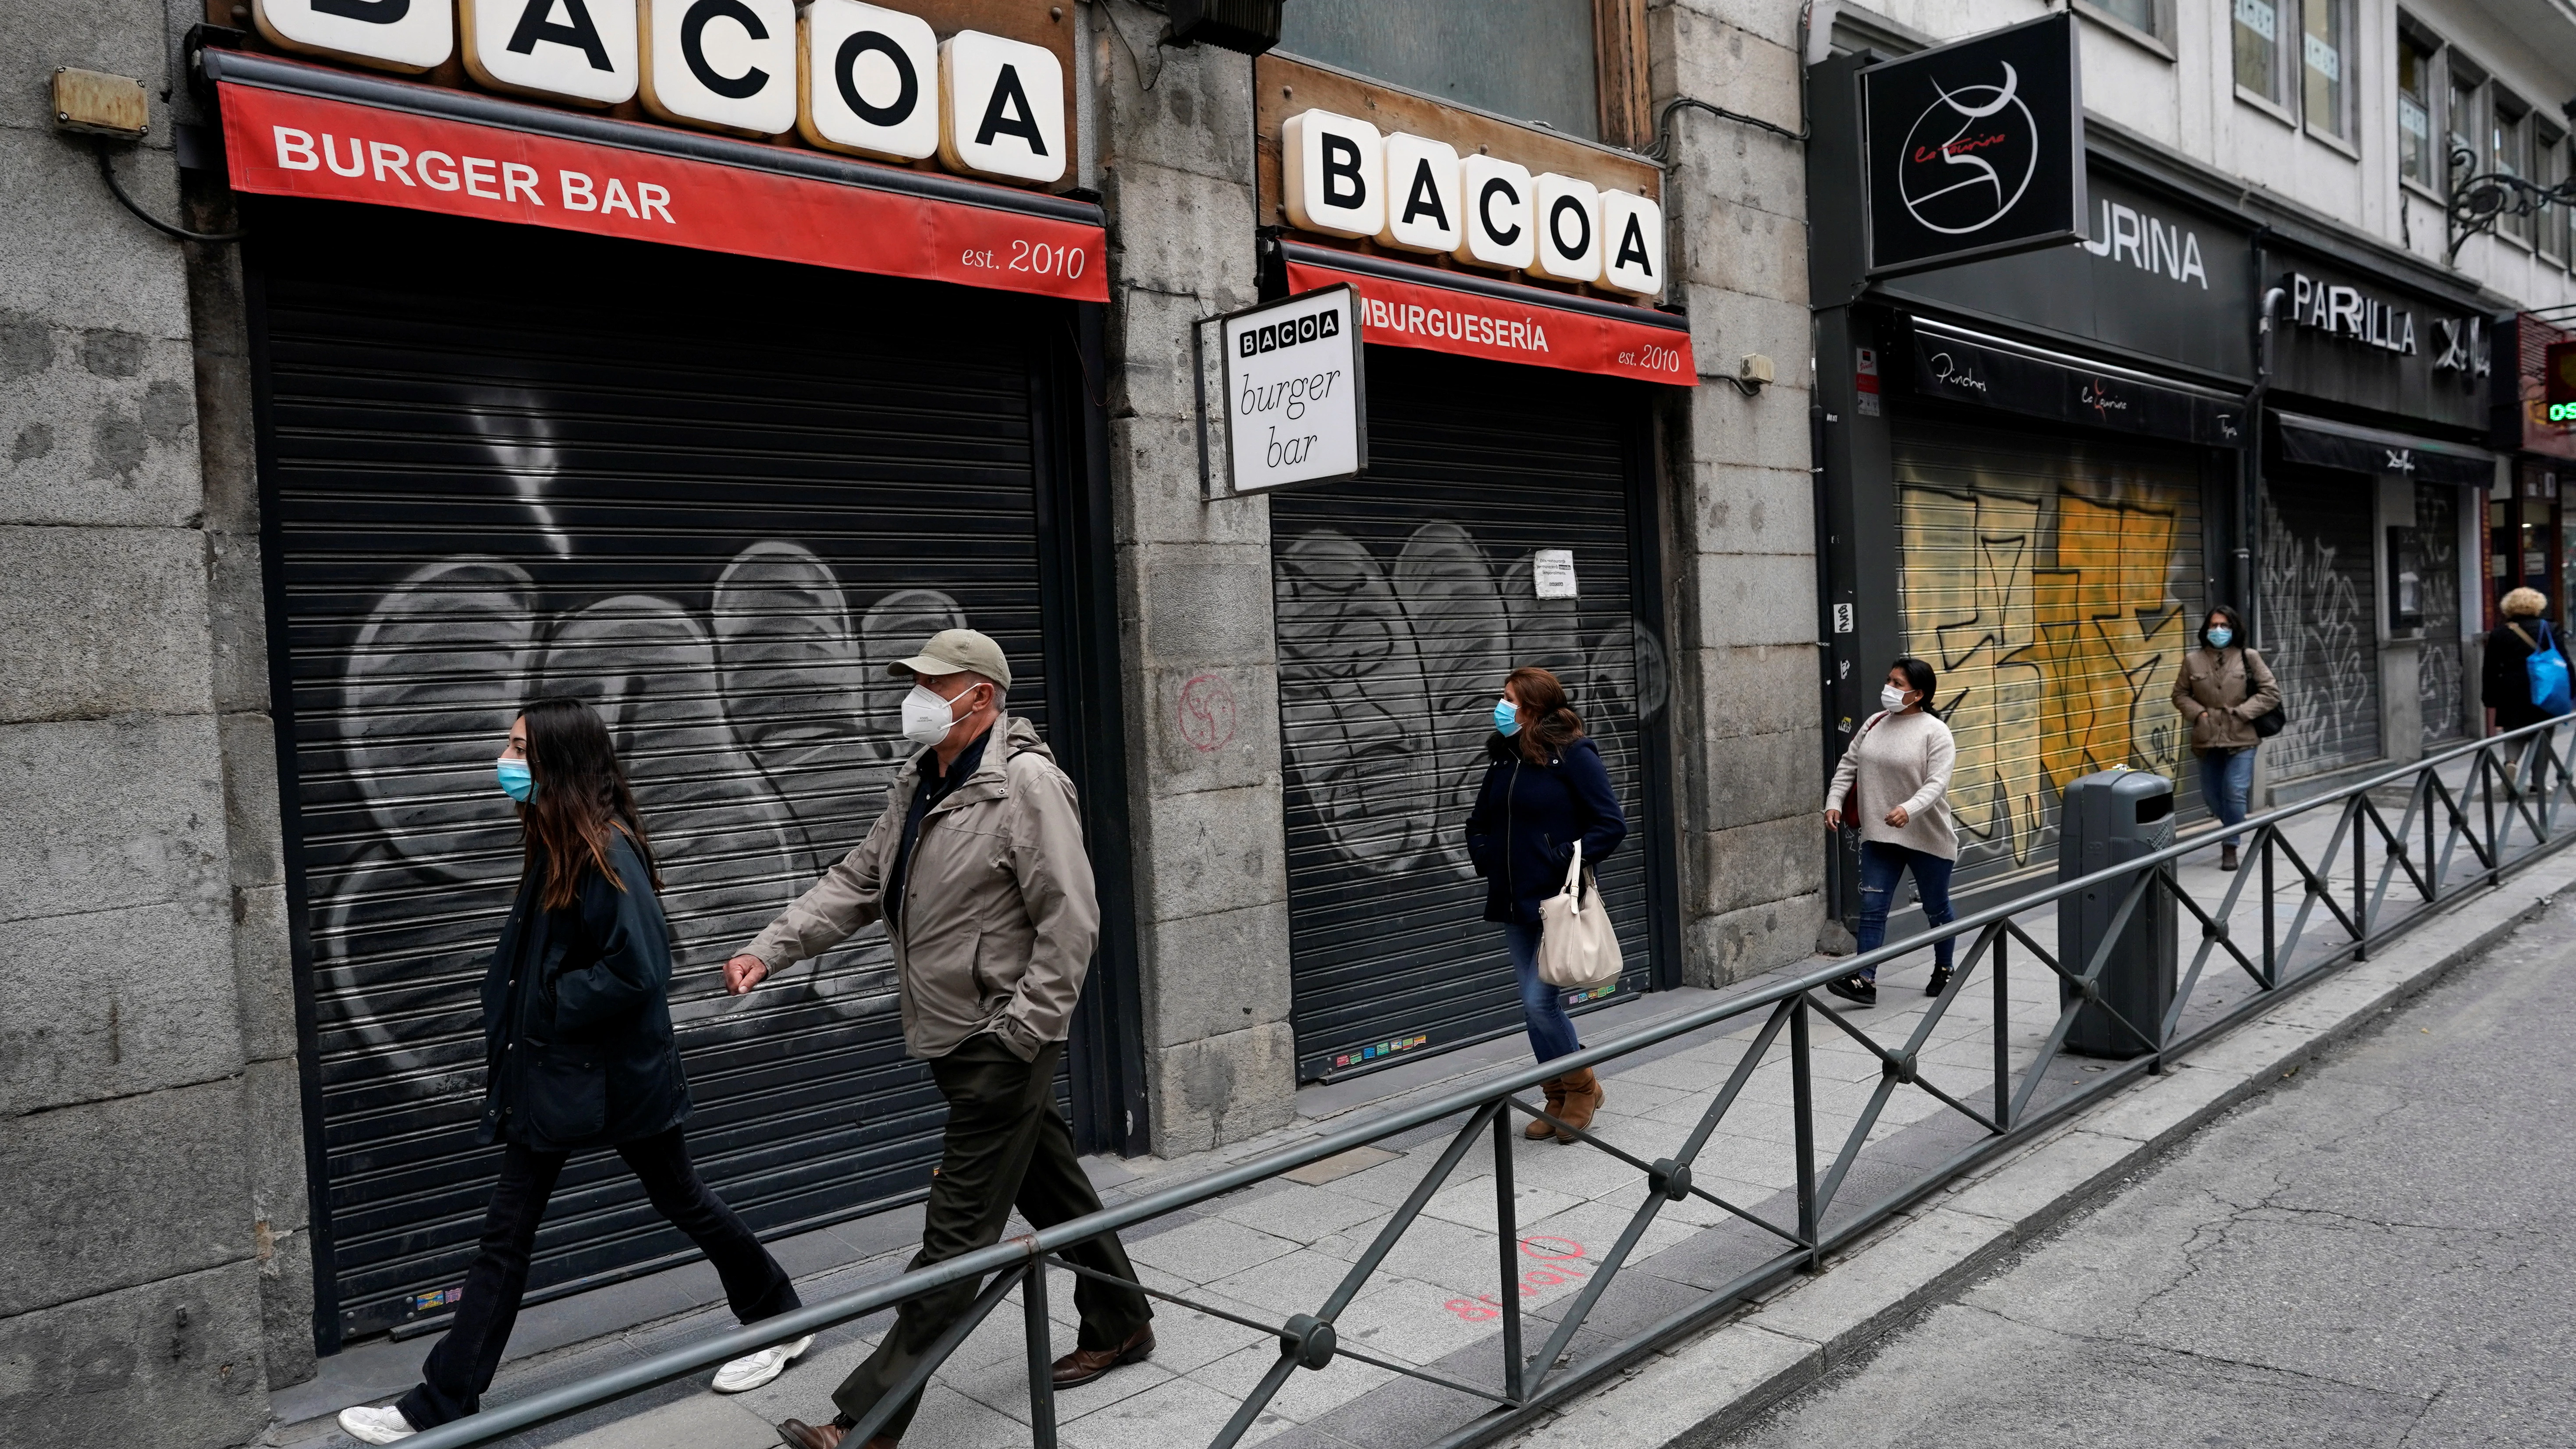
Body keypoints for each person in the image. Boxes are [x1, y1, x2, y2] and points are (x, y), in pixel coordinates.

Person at [722, 629, 1151, 1449]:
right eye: (913, 682)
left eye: (931, 683)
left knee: (955, 1237)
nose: (914, 697)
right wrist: (769, 947)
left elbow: (1072, 919)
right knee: (1052, 1184)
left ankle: (867, 1421)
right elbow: (856, 879)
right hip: (952, 1036)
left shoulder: (1025, 784)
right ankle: (1122, 1320)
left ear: (980, 696)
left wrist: (1023, 1032)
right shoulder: (921, 780)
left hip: (999, 1042)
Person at [337, 699, 807, 1445]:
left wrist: (548, 1004)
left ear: (557, 762)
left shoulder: (603, 851)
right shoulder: (559, 839)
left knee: (555, 1222)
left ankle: (442, 1402)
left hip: (600, 1076)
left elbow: (643, 969)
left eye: (520, 747)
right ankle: (781, 1314)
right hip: (575, 1074)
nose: (504, 758)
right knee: (578, 1217)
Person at [1464, 667, 1630, 1143]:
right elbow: (1478, 821)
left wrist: (1560, 858)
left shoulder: (1573, 755)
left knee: (1541, 1001)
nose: (1501, 706)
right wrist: (1486, 856)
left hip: (1557, 901)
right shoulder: (1504, 757)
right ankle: (1558, 1095)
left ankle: (1580, 1089)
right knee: (1532, 1005)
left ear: (1533, 706)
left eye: (1508, 698)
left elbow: (1610, 824)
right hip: (1512, 900)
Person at [1820, 658, 1959, 1007]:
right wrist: (1834, 801)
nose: (1889, 688)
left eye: (1898, 684)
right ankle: (1864, 979)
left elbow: (1937, 784)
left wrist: (1908, 809)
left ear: (1918, 694)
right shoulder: (1875, 722)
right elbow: (1848, 765)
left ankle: (1945, 968)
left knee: (1936, 906)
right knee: (1872, 907)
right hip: (1880, 835)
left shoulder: (1935, 732)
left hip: (1926, 834)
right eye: (1889, 680)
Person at [2170, 604, 2280, 872]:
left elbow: (2270, 692)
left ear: (2234, 629)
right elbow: (2180, 695)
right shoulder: (2192, 661)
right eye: (2214, 626)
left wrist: (2242, 713)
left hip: (2242, 736)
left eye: (2225, 626)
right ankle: (2235, 823)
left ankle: (2230, 846)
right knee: (2211, 795)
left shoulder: (2248, 657)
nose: (2218, 631)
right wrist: (2200, 715)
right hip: (2206, 738)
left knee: (2235, 790)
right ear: (2206, 629)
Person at [2482, 586, 2573, 789]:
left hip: (2511, 690)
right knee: (2543, 734)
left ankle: (2511, 763)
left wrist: (2489, 697)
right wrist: (2572, 690)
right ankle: (2538, 783)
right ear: (2538, 605)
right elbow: (2565, 661)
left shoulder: (2500, 633)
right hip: (2544, 688)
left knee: (2513, 731)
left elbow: (2490, 669)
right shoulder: (2549, 629)